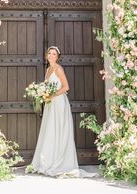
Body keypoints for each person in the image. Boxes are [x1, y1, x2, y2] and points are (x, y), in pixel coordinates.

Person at [30, 46, 96, 178]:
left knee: (59, 129)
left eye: (54, 54)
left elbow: (66, 87)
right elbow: (48, 87)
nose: (51, 56)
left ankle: (60, 163)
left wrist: (51, 95)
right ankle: (48, 160)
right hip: (51, 104)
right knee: (51, 130)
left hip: (59, 103)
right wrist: (44, 94)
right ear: (46, 55)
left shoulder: (58, 69)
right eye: (49, 53)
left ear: (57, 56)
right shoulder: (48, 69)